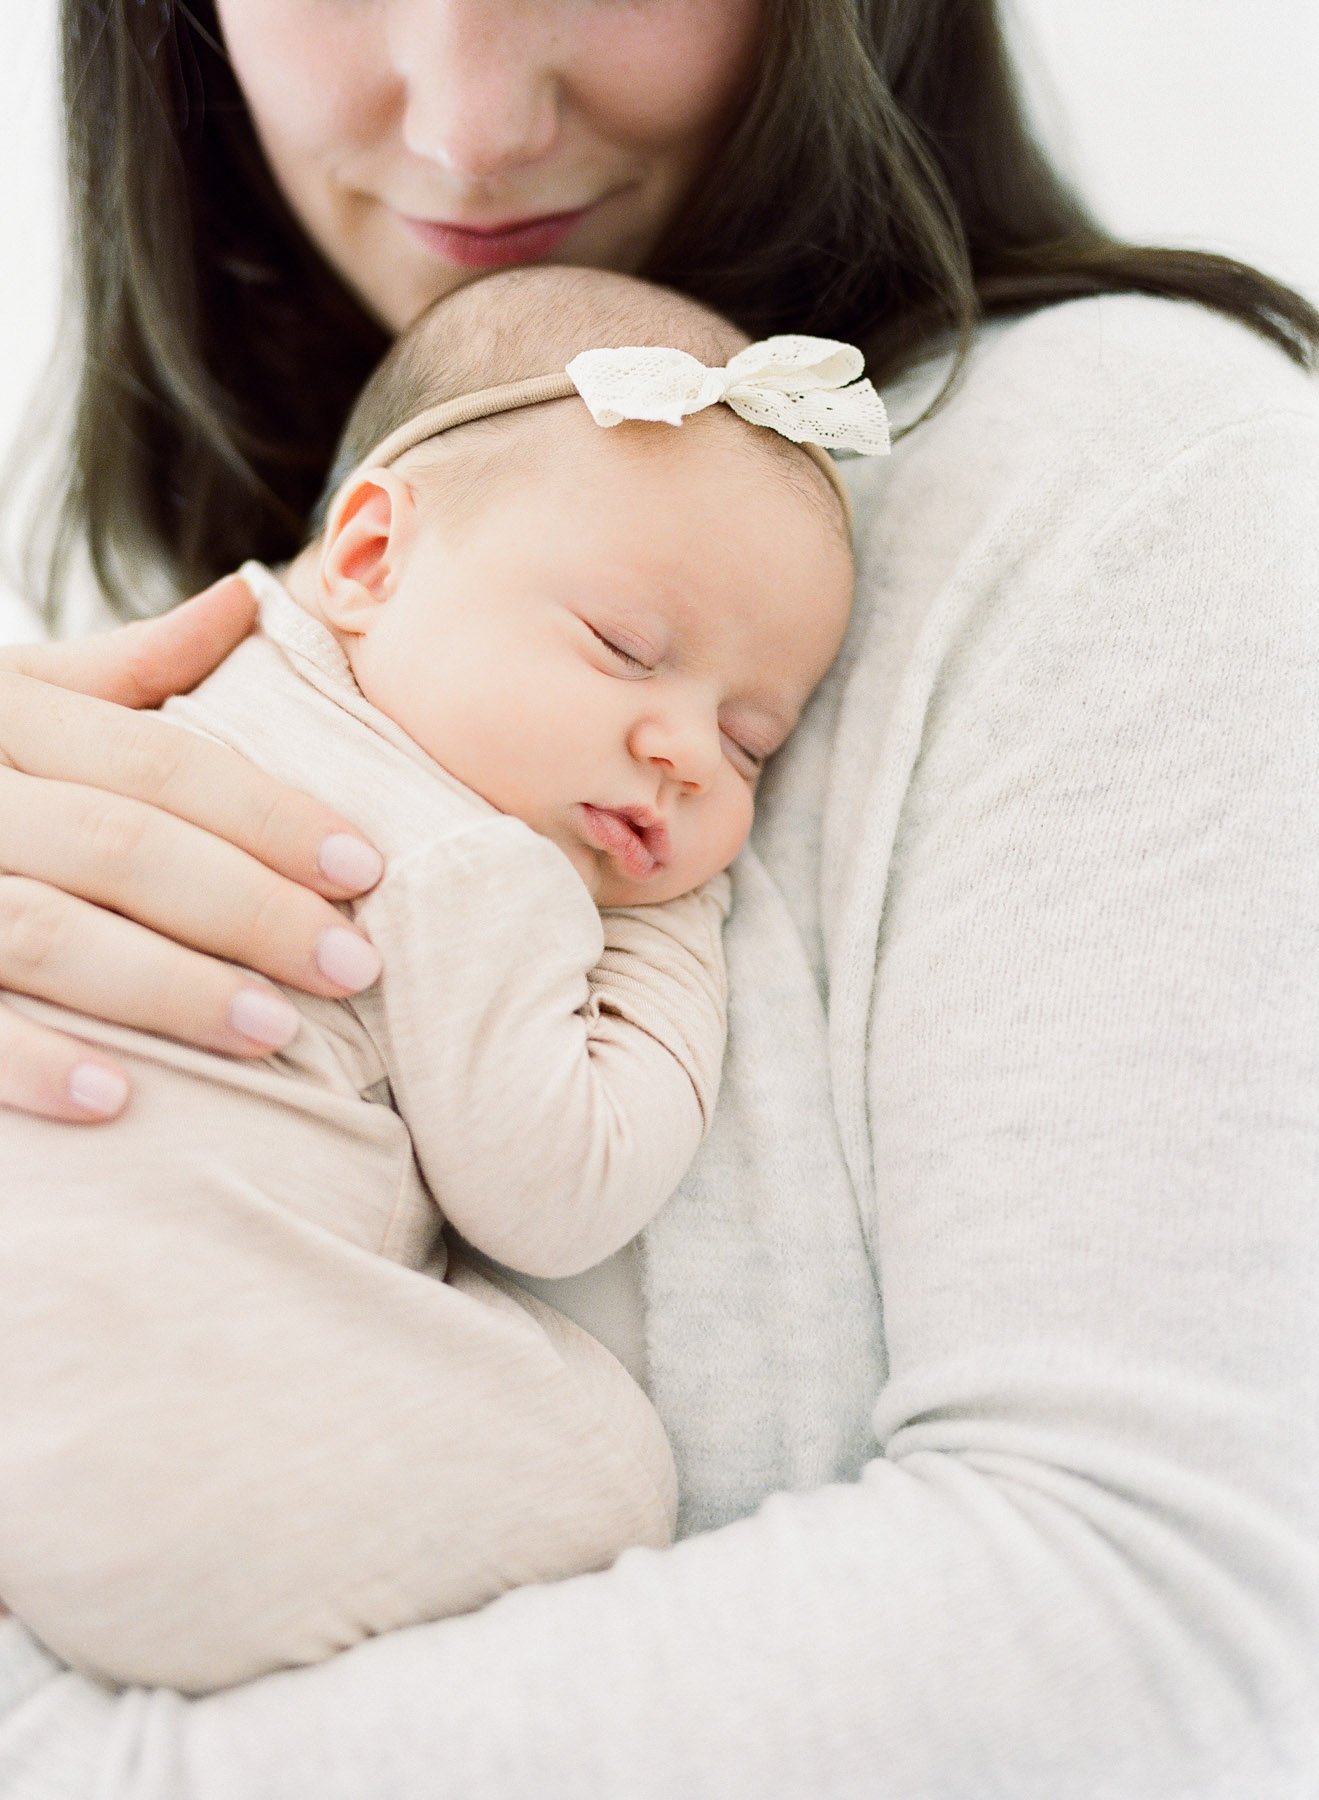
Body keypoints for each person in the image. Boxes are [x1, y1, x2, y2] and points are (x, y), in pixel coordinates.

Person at [0, 1, 1317, 1794]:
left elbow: (1161, 1617)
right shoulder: (159, 653)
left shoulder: (1126, 476)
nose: (469, 125)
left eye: (758, 738)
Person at [0, 262, 872, 1693]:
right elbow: (556, 1192)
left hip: (73, 1394)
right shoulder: (477, 863)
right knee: (605, 1468)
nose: (684, 750)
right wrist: (671, 937)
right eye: (624, 649)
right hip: (137, 1455)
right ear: (367, 559)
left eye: (752, 740)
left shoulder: (150, 705)